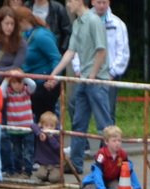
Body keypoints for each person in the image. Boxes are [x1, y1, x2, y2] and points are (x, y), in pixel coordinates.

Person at [46, 0, 110, 178]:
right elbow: (70, 52)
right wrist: (54, 74)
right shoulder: (77, 23)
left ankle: (108, 163)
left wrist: (92, 75)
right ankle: (76, 163)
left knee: (103, 124)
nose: (67, 5)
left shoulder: (94, 20)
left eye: (70, 1)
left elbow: (101, 50)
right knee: (78, 122)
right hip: (84, 79)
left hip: (96, 80)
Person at [15, 6, 61, 120]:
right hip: (32, 84)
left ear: (23, 21)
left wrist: (53, 78)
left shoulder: (41, 36)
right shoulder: (25, 35)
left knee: (45, 120)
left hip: (44, 86)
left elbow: (56, 58)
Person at [89, 0, 129, 123]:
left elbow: (122, 52)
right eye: (99, 2)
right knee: (76, 106)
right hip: (86, 73)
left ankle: (106, 142)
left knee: (108, 110)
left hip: (109, 75)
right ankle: (81, 142)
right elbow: (76, 47)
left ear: (109, 3)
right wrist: (78, 69)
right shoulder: (83, 22)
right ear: (92, 2)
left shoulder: (118, 25)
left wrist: (112, 73)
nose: (101, 5)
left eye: (104, 2)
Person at [79, 125, 142, 189]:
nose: (117, 143)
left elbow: (129, 171)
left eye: (119, 140)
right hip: (96, 180)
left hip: (111, 180)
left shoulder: (122, 154)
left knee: (119, 188)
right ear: (106, 142)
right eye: (114, 141)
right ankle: (86, 185)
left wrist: (137, 188)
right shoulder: (101, 154)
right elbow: (97, 172)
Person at [0, 73, 35, 178]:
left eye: (19, 82)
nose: (17, 85)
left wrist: (24, 77)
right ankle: (17, 170)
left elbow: (33, 85)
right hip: (13, 128)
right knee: (16, 151)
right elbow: (0, 92)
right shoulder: (8, 92)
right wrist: (6, 80)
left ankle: (27, 171)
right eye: (14, 82)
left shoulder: (26, 91)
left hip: (28, 127)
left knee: (28, 151)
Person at [32, 109, 62, 183]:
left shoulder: (57, 134)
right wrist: (39, 133)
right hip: (43, 163)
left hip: (55, 164)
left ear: (55, 126)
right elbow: (32, 125)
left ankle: (55, 174)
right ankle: (46, 175)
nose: (49, 128)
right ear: (42, 125)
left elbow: (57, 147)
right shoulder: (41, 133)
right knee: (39, 175)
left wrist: (50, 137)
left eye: (51, 126)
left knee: (54, 179)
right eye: (46, 125)